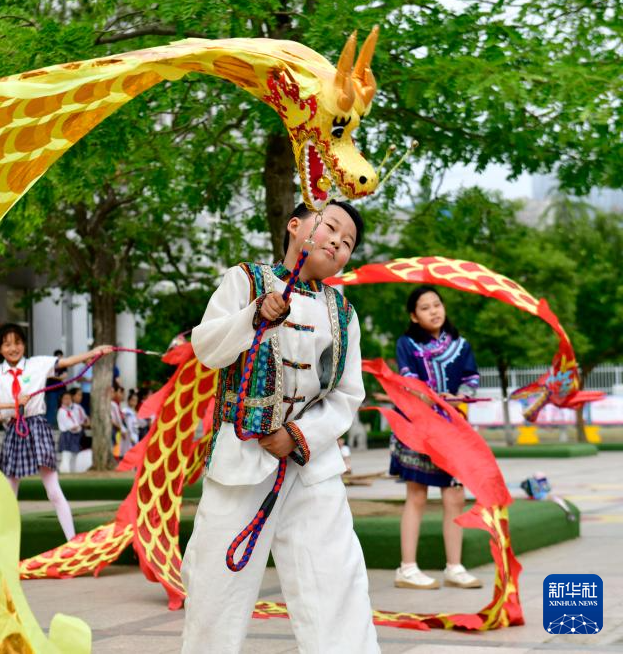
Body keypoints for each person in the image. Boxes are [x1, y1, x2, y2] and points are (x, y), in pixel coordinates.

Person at [182, 202, 379, 653]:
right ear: (296, 226)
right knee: (216, 585)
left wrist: (298, 435)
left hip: (313, 470)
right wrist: (254, 316)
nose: (336, 242)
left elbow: (347, 395)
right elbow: (207, 348)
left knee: (334, 580)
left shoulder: (342, 313)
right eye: (330, 227)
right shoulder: (245, 280)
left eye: (347, 243)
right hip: (241, 463)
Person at [0, 323, 111, 540]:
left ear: (24, 345)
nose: (13, 348)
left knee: (53, 489)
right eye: (7, 344)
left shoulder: (37, 364)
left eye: (18, 343)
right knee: (9, 492)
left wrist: (94, 352)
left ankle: (72, 541)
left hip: (37, 426)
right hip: (15, 429)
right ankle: (2, 544)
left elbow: (65, 362)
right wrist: (11, 405)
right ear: (0, 349)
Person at [390, 285, 482, 590]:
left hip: (453, 429)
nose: (434, 310)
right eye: (425, 307)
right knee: (416, 496)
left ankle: (454, 567)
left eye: (437, 304)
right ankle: (407, 568)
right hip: (417, 428)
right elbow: (408, 380)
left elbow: (471, 379)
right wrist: (430, 397)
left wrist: (459, 397)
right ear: (414, 316)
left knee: (454, 497)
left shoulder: (461, 345)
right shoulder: (407, 344)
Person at [56, 390, 85, 473]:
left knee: (74, 454)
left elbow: (77, 422)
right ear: (61, 400)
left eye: (69, 398)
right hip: (67, 435)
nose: (67, 400)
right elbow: (70, 426)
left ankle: (73, 470)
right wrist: (77, 427)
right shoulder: (61, 411)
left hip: (75, 435)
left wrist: (78, 426)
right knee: (66, 454)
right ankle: (65, 471)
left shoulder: (71, 411)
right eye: (65, 399)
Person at [45, 350, 68, 424]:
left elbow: (64, 376)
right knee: (51, 407)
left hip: (61, 389)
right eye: (58, 356)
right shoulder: (50, 365)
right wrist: (58, 376)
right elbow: (48, 375)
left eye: (60, 356)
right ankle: (48, 425)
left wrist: (55, 376)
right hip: (51, 389)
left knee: (62, 407)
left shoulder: (64, 365)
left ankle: (62, 423)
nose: (59, 358)